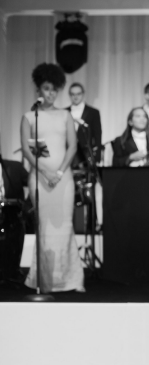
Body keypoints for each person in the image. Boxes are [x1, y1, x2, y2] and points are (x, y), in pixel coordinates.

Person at [20, 63, 85, 293]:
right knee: (44, 228)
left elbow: (73, 146)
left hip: (63, 179)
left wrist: (58, 172)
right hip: (38, 178)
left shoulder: (65, 115)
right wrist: (44, 172)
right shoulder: (29, 116)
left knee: (65, 226)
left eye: (54, 89)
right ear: (39, 89)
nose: (50, 93)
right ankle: (44, 281)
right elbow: (27, 150)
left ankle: (71, 280)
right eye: (46, 88)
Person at [0, 152, 28, 287]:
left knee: (15, 230)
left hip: (11, 212)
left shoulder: (15, 167)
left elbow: (32, 182)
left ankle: (12, 270)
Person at [66, 82, 102, 168]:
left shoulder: (93, 112)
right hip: (67, 152)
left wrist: (97, 156)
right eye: (73, 94)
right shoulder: (64, 112)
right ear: (69, 95)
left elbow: (97, 134)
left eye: (78, 94)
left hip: (86, 153)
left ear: (83, 94)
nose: (76, 97)